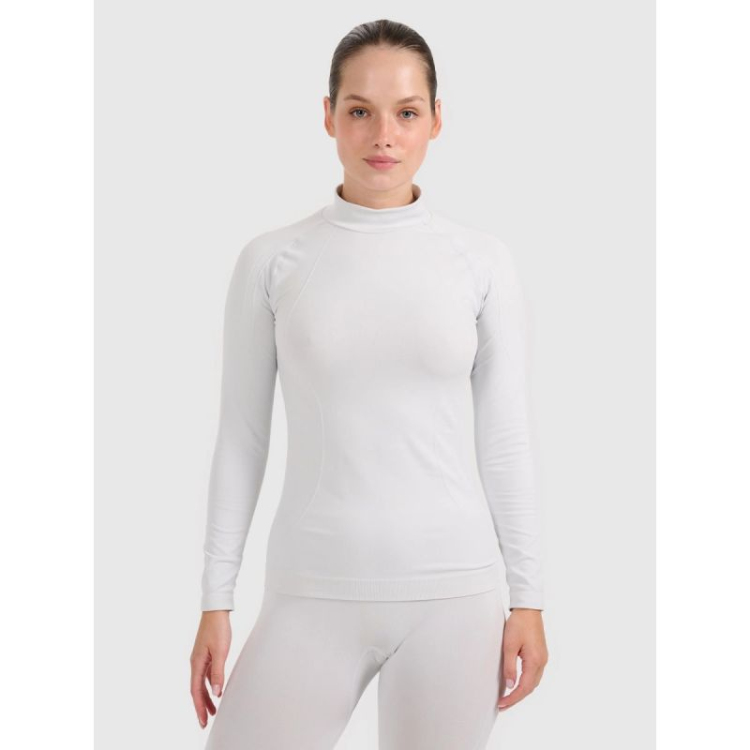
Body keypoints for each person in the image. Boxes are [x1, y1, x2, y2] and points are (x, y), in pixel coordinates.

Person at [190, 18, 549, 750]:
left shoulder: (482, 262)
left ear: (436, 120)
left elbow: (506, 439)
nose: (383, 135)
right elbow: (242, 438)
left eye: (406, 112)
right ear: (328, 115)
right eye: (360, 110)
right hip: (311, 587)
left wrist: (529, 597)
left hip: (455, 594)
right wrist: (215, 600)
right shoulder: (273, 260)